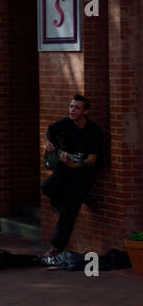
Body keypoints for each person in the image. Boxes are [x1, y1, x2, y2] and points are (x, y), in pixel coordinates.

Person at [41, 94, 104, 257]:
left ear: (86, 111)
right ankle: (66, 201)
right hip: (63, 170)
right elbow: (48, 130)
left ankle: (55, 248)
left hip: (83, 174)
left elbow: (92, 159)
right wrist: (47, 142)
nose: (72, 110)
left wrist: (76, 165)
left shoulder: (94, 131)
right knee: (47, 187)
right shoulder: (66, 123)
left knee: (68, 213)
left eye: (76, 107)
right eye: (71, 106)